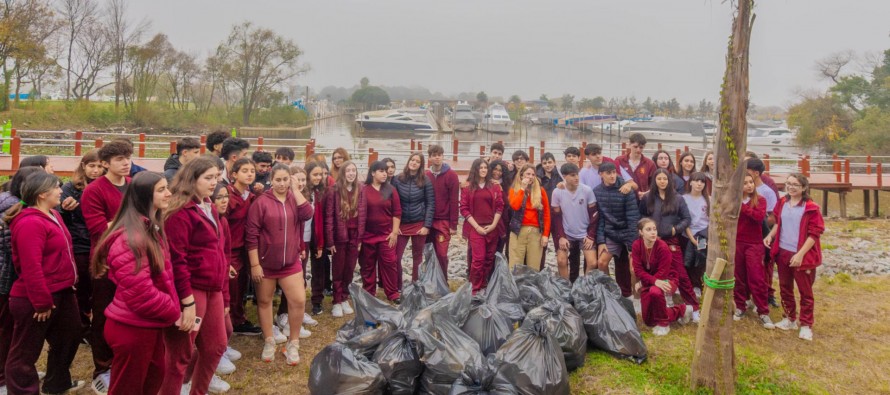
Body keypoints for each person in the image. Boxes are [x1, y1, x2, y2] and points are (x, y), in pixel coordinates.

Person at [90, 172, 179, 395]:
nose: (169, 193)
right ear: (144, 196)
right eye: (161, 190)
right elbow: (141, 293)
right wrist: (172, 310)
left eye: (167, 187)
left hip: (147, 324)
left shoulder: (149, 228)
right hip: (133, 327)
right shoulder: (132, 238)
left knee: (153, 377)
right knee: (127, 389)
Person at [6, 172, 85, 394]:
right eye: (56, 188)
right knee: (25, 352)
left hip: (63, 291)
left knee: (69, 336)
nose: (61, 191)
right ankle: (23, 390)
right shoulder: (30, 223)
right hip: (36, 298)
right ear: (42, 194)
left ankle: (56, 383)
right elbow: (31, 267)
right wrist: (41, 302)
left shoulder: (53, 214)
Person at [160, 157, 229, 395]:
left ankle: (197, 391)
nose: (214, 183)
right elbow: (177, 260)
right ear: (192, 179)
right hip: (192, 290)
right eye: (208, 178)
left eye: (216, 177)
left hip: (213, 288)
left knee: (216, 346)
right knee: (180, 355)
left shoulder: (208, 205)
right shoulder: (180, 212)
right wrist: (186, 300)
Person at [246, 164, 313, 365]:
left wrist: (295, 190)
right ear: (271, 180)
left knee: (299, 300)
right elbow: (251, 234)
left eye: (286, 179)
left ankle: (293, 343)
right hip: (265, 264)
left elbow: (308, 213)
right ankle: (269, 340)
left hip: (290, 262)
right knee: (265, 301)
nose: (282, 183)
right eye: (278, 180)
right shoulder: (261, 202)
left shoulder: (295, 199)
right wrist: (255, 264)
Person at [81, 140, 133, 393]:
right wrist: (130, 224)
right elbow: (98, 229)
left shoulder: (133, 186)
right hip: (105, 261)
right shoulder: (94, 190)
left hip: (134, 258)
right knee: (103, 314)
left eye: (128, 157)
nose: (126, 163)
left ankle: (123, 361)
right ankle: (103, 368)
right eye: (119, 159)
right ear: (105, 163)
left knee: (128, 311)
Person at [0, 167, 45, 394]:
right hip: (10, 281)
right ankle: (5, 380)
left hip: (9, 279)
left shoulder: (13, 204)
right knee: (9, 331)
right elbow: (16, 253)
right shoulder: (16, 210)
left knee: (11, 332)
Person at [764, 173, 824, 341]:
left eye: (795, 184)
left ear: (803, 187)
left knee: (805, 291)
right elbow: (778, 223)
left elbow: (814, 234)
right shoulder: (782, 202)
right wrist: (770, 235)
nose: (791, 187)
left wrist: (800, 254)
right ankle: (789, 318)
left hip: (801, 253)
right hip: (783, 250)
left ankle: (806, 325)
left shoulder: (811, 208)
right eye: (788, 184)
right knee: (785, 287)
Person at [638, 168, 699, 321]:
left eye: (665, 179)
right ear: (655, 181)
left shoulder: (678, 198)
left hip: (672, 241)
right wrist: (647, 233)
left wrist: (675, 230)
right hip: (652, 241)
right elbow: (641, 217)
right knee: (656, 273)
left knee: (681, 274)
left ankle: (694, 307)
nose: (662, 181)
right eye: (659, 179)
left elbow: (686, 219)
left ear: (669, 180)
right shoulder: (647, 198)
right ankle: (658, 304)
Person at [60, 150, 102, 340]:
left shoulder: (105, 186)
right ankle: (83, 327)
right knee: (82, 288)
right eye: (92, 166)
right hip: (80, 243)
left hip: (101, 242)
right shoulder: (70, 188)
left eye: (100, 166)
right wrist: (64, 209)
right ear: (83, 166)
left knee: (99, 288)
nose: (96, 170)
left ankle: (96, 327)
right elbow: (64, 220)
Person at [632, 218, 693, 336]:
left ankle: (664, 324)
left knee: (655, 291)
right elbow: (638, 270)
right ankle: (683, 310)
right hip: (650, 280)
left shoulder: (662, 246)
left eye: (654, 229)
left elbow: (663, 272)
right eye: (648, 230)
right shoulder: (636, 245)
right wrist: (652, 281)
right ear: (641, 232)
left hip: (668, 278)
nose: (653, 232)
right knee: (649, 321)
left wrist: (645, 283)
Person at [225, 158, 262, 336]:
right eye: (244, 170)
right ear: (234, 174)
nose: (249, 174)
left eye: (252, 171)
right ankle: (231, 321)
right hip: (230, 248)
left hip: (245, 247)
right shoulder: (227, 196)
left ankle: (238, 318)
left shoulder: (250, 194)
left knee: (241, 286)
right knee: (231, 286)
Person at [357, 161, 402, 303]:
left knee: (390, 264)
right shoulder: (364, 190)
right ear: (372, 173)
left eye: (386, 171)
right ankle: (369, 293)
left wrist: (394, 232)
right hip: (368, 236)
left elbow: (397, 212)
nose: (385, 173)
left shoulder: (390, 189)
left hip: (386, 235)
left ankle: (392, 293)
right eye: (381, 171)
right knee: (367, 265)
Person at [593, 162, 640, 297]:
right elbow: (600, 218)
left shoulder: (626, 189)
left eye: (614, 172)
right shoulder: (597, 191)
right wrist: (601, 240)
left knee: (634, 268)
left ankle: (636, 297)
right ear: (601, 174)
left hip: (627, 231)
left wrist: (632, 245)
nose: (612, 176)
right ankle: (608, 292)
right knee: (601, 262)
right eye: (608, 173)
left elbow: (633, 218)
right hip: (611, 232)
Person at [734, 174, 774, 329]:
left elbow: (758, 217)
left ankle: (763, 311)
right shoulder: (733, 200)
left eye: (751, 182)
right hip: (738, 243)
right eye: (745, 183)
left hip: (754, 244)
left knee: (756, 278)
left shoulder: (761, 200)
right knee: (738, 276)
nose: (749, 185)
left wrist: (741, 206)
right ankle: (740, 306)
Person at [460, 159, 504, 294]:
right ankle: (474, 287)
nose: (484, 170)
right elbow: (464, 209)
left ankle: (484, 285)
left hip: (492, 227)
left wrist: (493, 225)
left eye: (485, 167)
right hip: (475, 228)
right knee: (478, 259)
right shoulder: (468, 187)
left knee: (489, 258)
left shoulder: (494, 186)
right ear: (475, 169)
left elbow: (500, 206)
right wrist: (477, 227)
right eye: (481, 168)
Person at [550, 163, 598, 282]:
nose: (576, 178)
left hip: (584, 233)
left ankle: (584, 287)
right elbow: (556, 217)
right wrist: (561, 236)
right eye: (572, 175)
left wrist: (591, 235)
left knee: (592, 263)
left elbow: (594, 215)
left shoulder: (587, 190)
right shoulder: (557, 192)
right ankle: (566, 287)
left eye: (577, 174)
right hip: (567, 233)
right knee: (561, 261)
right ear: (564, 176)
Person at [325, 161, 361, 318]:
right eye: (348, 171)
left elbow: (364, 213)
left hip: (354, 235)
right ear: (343, 173)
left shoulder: (360, 189)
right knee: (338, 268)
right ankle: (336, 300)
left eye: (354, 170)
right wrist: (330, 240)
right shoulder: (334, 191)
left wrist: (360, 237)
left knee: (350, 267)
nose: (351, 173)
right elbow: (329, 216)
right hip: (340, 235)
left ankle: (345, 297)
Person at [392, 153, 435, 282]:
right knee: (396, 257)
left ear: (421, 165)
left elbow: (430, 203)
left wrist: (426, 226)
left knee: (417, 257)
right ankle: (397, 286)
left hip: (419, 223)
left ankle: (416, 284)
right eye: (412, 160)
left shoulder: (425, 180)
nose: (414, 163)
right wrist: (394, 226)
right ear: (408, 161)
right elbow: (392, 203)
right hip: (401, 224)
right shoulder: (397, 179)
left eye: (417, 161)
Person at [747, 158, 780, 307]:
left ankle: (767, 295)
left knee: (765, 266)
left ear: (755, 173)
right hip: (746, 235)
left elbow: (773, 217)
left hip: (763, 233)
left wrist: (757, 219)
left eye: (747, 171)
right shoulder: (743, 188)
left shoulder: (767, 192)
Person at [507, 164, 550, 270]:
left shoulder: (541, 191)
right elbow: (515, 206)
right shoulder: (514, 189)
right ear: (521, 175)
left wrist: (545, 235)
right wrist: (522, 188)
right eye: (527, 174)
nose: (530, 177)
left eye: (532, 174)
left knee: (534, 265)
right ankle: (515, 285)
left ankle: (531, 286)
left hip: (535, 232)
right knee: (515, 265)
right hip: (518, 230)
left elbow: (547, 214)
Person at [425, 145, 459, 275]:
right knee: (428, 252)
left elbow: (454, 201)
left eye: (439, 155)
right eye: (434, 155)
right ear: (430, 158)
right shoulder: (426, 175)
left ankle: (443, 281)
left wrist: (453, 225)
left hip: (443, 221)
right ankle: (429, 279)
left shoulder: (451, 176)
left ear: (443, 156)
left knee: (442, 254)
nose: (437, 157)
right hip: (427, 221)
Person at [304, 161, 331, 315]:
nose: (319, 178)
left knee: (318, 269)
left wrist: (322, 242)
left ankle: (317, 301)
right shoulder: (302, 191)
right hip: (301, 236)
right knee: (299, 270)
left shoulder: (322, 192)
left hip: (317, 234)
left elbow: (324, 217)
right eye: (315, 174)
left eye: (321, 174)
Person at [682, 172, 710, 292]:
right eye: (697, 181)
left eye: (702, 181)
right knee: (687, 260)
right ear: (691, 182)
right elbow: (684, 220)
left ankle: (698, 285)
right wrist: (692, 238)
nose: (699, 184)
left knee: (700, 260)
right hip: (687, 234)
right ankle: (688, 286)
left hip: (703, 234)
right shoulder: (684, 198)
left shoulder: (708, 199)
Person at [614, 133, 657, 197]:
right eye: (635, 147)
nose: (638, 150)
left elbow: (654, 184)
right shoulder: (619, 160)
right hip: (623, 198)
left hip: (642, 200)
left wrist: (647, 194)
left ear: (644, 147)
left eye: (641, 147)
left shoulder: (650, 164)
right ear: (629, 144)